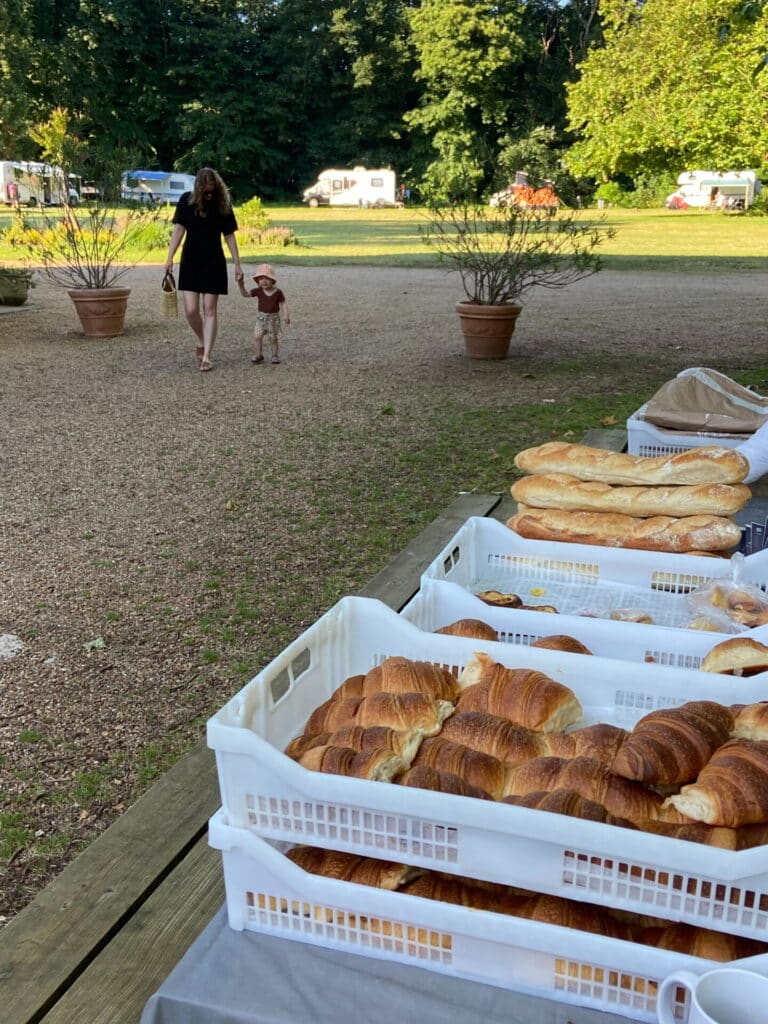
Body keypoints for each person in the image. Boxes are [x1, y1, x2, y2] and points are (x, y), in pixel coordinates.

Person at [164, 167, 243, 372]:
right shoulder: (186, 201)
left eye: (212, 189)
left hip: (214, 260)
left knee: (209, 309)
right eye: (206, 190)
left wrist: (237, 264)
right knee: (191, 310)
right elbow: (179, 229)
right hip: (190, 259)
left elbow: (229, 235)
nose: (210, 193)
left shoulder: (222, 204)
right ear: (199, 187)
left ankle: (207, 355)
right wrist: (170, 257)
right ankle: (201, 339)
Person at [239, 263, 290, 364]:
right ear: (258, 281)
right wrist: (241, 285)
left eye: (267, 278)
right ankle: (258, 354)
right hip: (261, 318)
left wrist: (286, 315)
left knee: (273, 338)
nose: (264, 281)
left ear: (272, 280)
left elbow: (283, 304)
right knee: (257, 336)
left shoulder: (278, 292)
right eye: (261, 278)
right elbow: (245, 294)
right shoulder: (258, 291)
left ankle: (274, 355)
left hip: (273, 319)